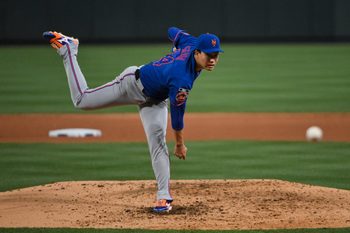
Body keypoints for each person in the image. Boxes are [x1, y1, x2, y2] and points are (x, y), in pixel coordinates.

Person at [43, 27, 223, 213]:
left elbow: (172, 31)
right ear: (197, 52)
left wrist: (175, 50)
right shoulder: (181, 79)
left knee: (158, 143)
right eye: (209, 55)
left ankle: (163, 198)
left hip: (156, 101)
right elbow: (177, 117)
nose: (212, 60)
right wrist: (179, 144)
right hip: (131, 85)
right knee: (82, 100)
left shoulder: (191, 43)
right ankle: (69, 50)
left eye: (216, 55)